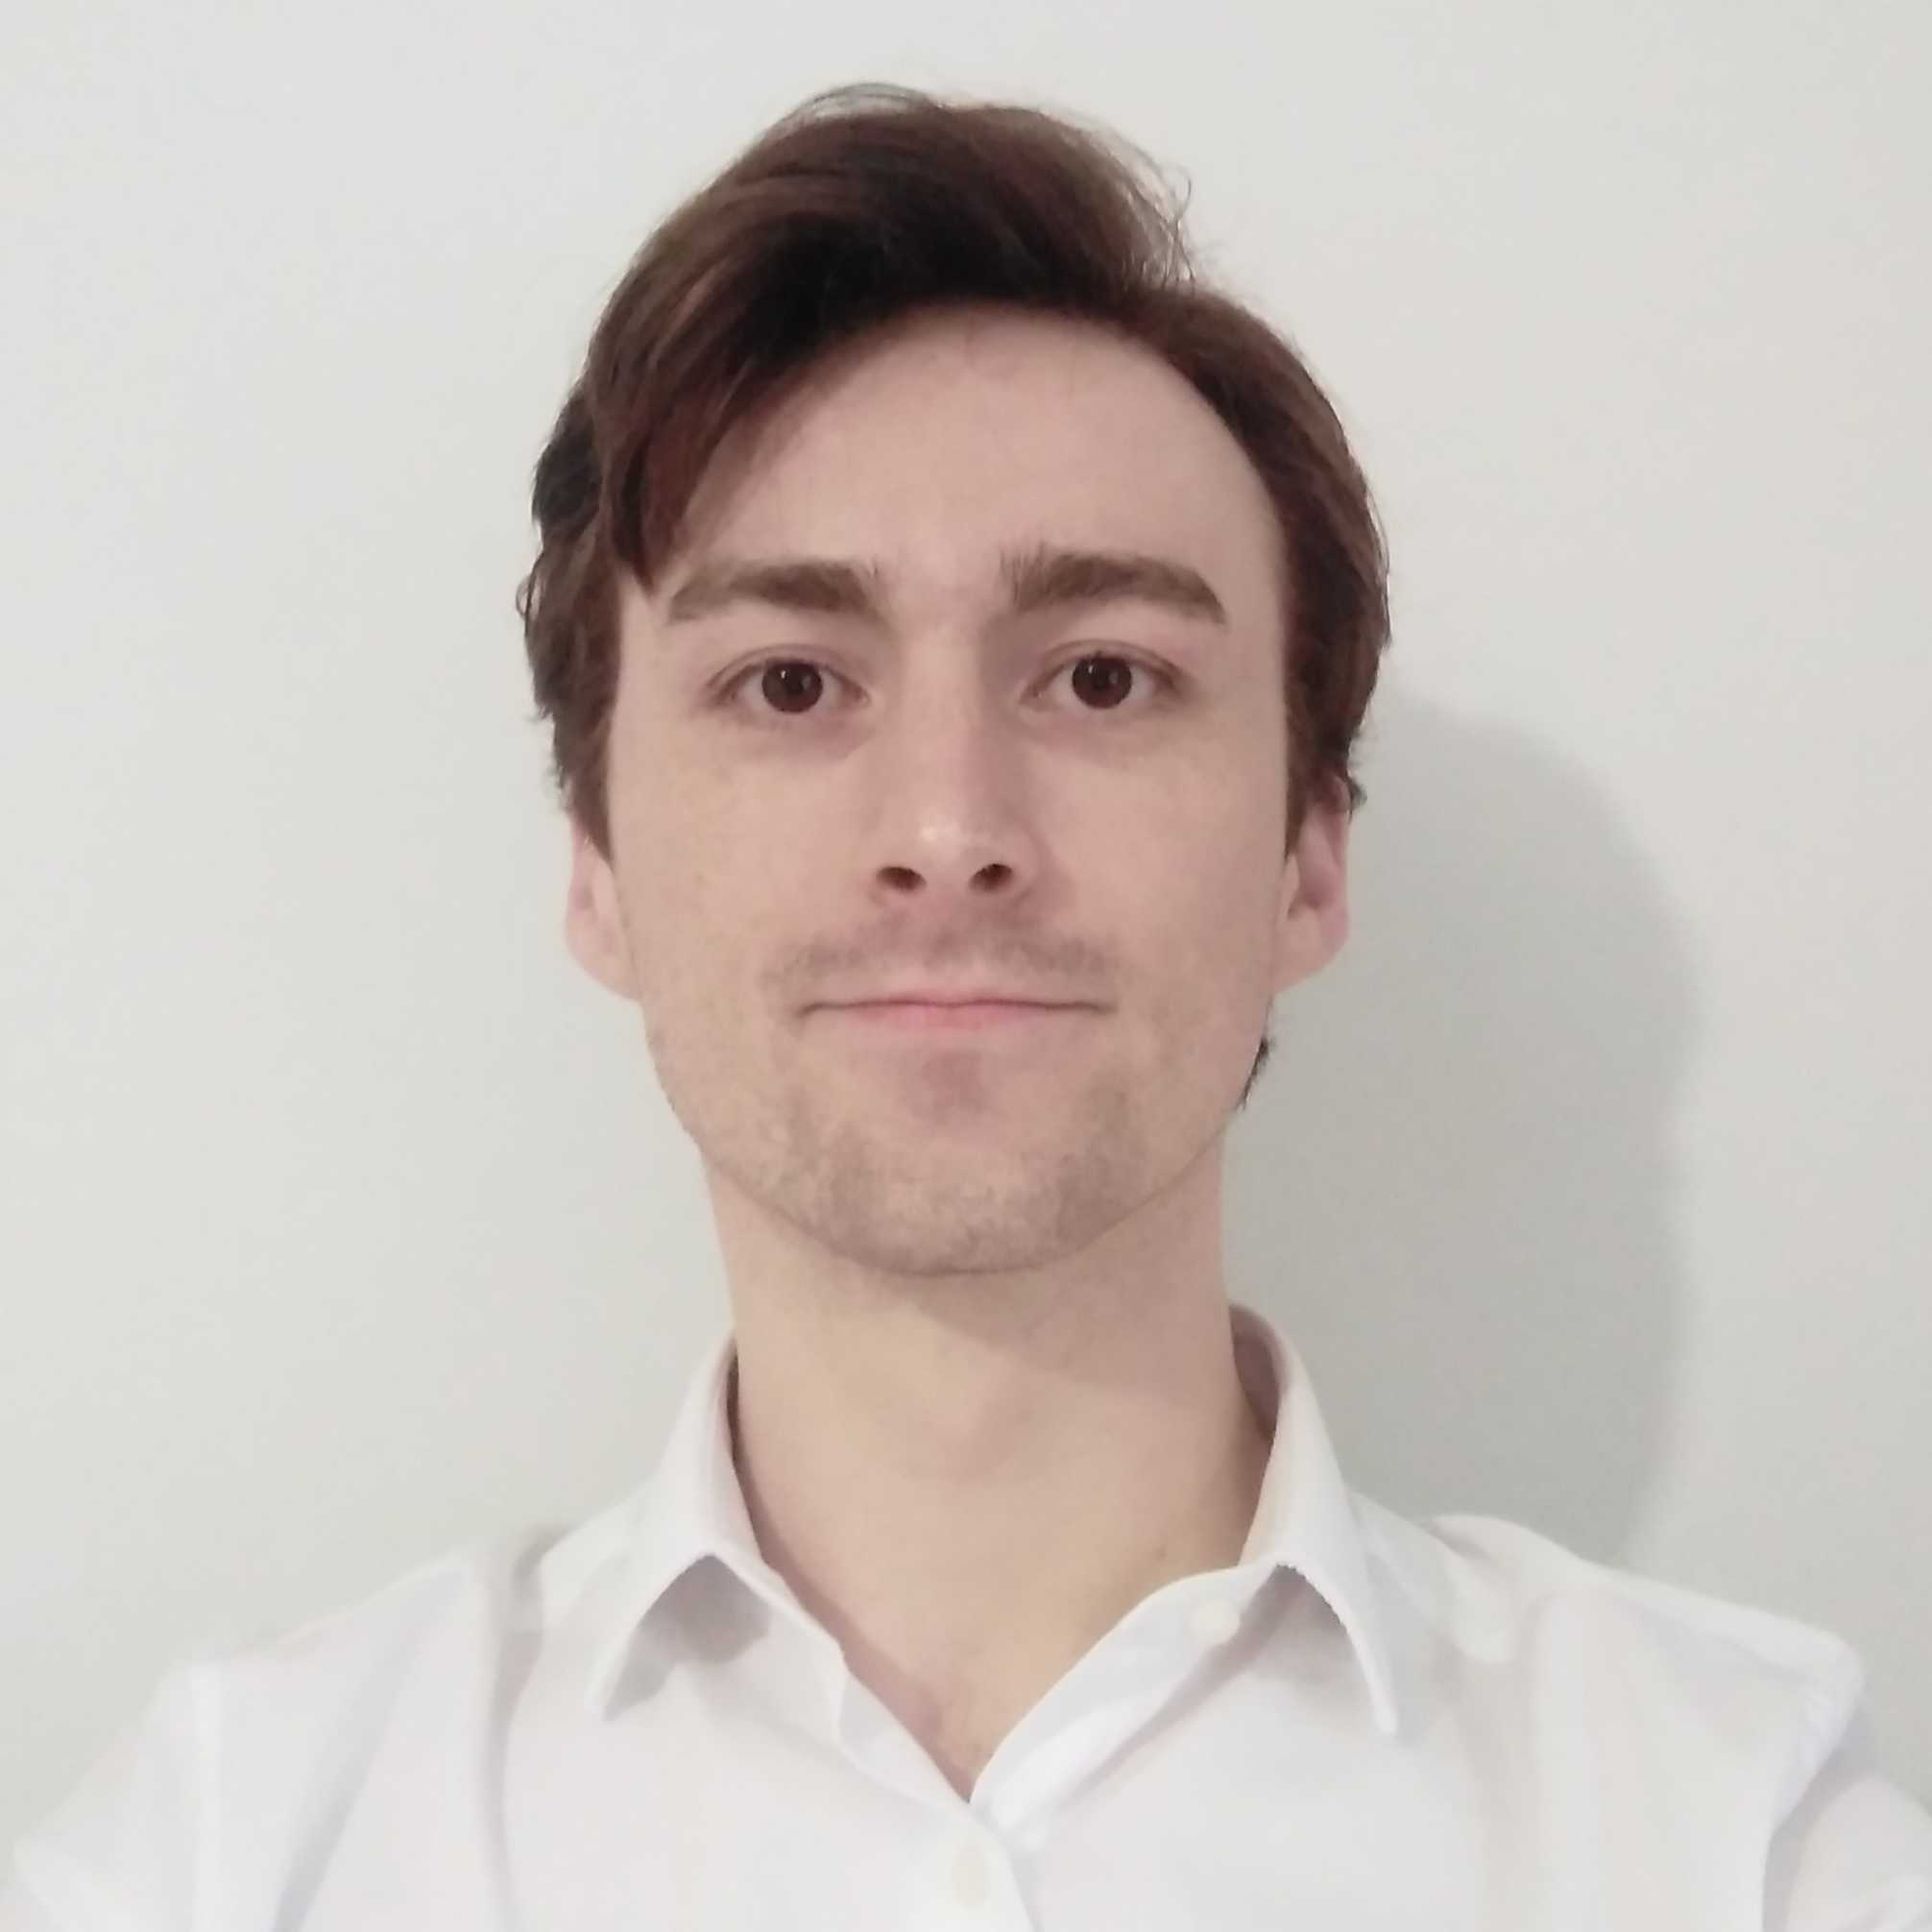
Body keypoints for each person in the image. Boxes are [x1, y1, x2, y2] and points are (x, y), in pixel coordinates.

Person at [7, 81, 1928, 1930]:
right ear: (595, 864)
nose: (947, 831)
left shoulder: (1741, 1835)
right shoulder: (228, 1849)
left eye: (1100, 677)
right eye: (789, 682)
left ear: (1308, 860)